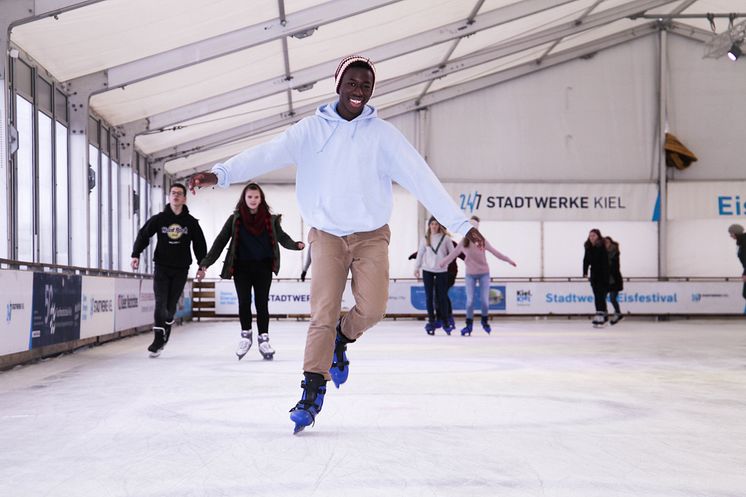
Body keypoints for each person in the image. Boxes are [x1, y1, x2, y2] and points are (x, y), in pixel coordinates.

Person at [187, 55, 485, 434]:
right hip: (326, 235)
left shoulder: (384, 136)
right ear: (338, 85)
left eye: (366, 85)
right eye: (352, 84)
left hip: (371, 235)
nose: (359, 91)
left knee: (373, 309)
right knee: (322, 313)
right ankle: (311, 390)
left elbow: (421, 178)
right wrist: (221, 173)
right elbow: (265, 154)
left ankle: (342, 339)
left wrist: (461, 224)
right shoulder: (310, 131)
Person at [196, 183, 304, 361]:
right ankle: (246, 335)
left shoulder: (270, 220)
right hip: (241, 268)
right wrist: (205, 264)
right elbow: (220, 241)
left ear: (261, 199)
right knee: (244, 302)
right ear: (244, 199)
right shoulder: (235, 220)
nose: (253, 200)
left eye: (256, 197)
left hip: (263, 267)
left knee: (262, 304)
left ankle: (264, 339)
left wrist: (295, 245)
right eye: (250, 197)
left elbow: (282, 237)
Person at [131, 183, 207, 357]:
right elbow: (144, 235)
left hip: (181, 269)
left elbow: (200, 245)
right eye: (173, 193)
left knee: (170, 307)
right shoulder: (159, 219)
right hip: (162, 267)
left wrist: (202, 266)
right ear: (169, 197)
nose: (176, 196)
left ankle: (166, 328)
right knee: (160, 302)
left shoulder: (191, 222)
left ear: (185, 198)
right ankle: (158, 339)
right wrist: (135, 254)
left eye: (179, 194)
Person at [438, 216, 516, 335]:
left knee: (485, 301)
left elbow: (496, 253)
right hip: (470, 275)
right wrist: (443, 262)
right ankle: (468, 325)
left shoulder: (482, 241)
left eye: (475, 228)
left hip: (484, 273)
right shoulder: (463, 243)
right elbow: (452, 255)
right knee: (470, 301)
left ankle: (484, 321)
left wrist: (508, 260)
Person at [414, 217, 456, 335]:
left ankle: (445, 321)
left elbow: (452, 254)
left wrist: (445, 262)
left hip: (442, 271)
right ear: (429, 225)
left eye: (436, 224)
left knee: (441, 297)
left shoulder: (446, 239)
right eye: (432, 224)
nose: (434, 226)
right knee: (429, 297)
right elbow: (420, 254)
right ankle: (431, 320)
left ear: (439, 225)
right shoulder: (425, 238)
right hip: (427, 270)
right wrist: (416, 268)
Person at [582, 228, 610, 327]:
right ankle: (602, 315)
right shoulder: (588, 247)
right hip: (594, 275)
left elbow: (605, 263)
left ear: (598, 236)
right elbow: (586, 260)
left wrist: (607, 277)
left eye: (593, 235)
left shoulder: (601, 247)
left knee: (600, 296)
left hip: (602, 275)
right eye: (590, 236)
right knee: (597, 295)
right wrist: (585, 272)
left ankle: (601, 315)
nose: (591, 237)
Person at [604, 236, 624, 325]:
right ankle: (605, 314)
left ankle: (618, 313)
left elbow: (614, 267)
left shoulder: (615, 253)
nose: (606, 244)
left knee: (612, 298)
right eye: (605, 242)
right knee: (602, 298)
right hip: (605, 280)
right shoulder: (602, 253)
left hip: (614, 280)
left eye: (608, 242)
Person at [727, 224, 746, 304]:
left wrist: (745, 273)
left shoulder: (744, 243)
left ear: (735, 233)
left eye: (730, 233)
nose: (730, 236)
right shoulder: (741, 242)